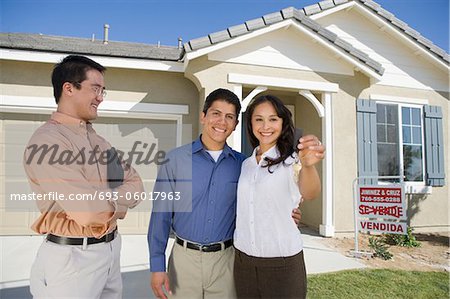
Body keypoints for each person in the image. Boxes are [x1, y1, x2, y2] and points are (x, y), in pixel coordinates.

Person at [147, 89, 305, 299]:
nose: (222, 122)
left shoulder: (245, 165)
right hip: (184, 260)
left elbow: (258, 203)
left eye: (229, 117)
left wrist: (288, 212)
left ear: (236, 124)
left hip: (227, 261)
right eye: (216, 114)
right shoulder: (175, 160)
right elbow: (160, 215)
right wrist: (156, 265)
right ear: (203, 116)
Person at [23, 55, 144, 299]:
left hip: (110, 250)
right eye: (95, 88)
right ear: (69, 88)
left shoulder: (99, 142)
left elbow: (137, 186)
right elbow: (88, 211)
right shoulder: (47, 142)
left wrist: (104, 200)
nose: (100, 97)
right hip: (72, 260)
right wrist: (118, 204)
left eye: (103, 90)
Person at [233, 95, 325, 298]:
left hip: (282, 264)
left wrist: (309, 165)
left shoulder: (293, 159)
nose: (265, 126)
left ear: (283, 123)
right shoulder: (246, 165)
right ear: (250, 123)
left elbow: (310, 193)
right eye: (259, 119)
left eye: (273, 119)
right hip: (243, 262)